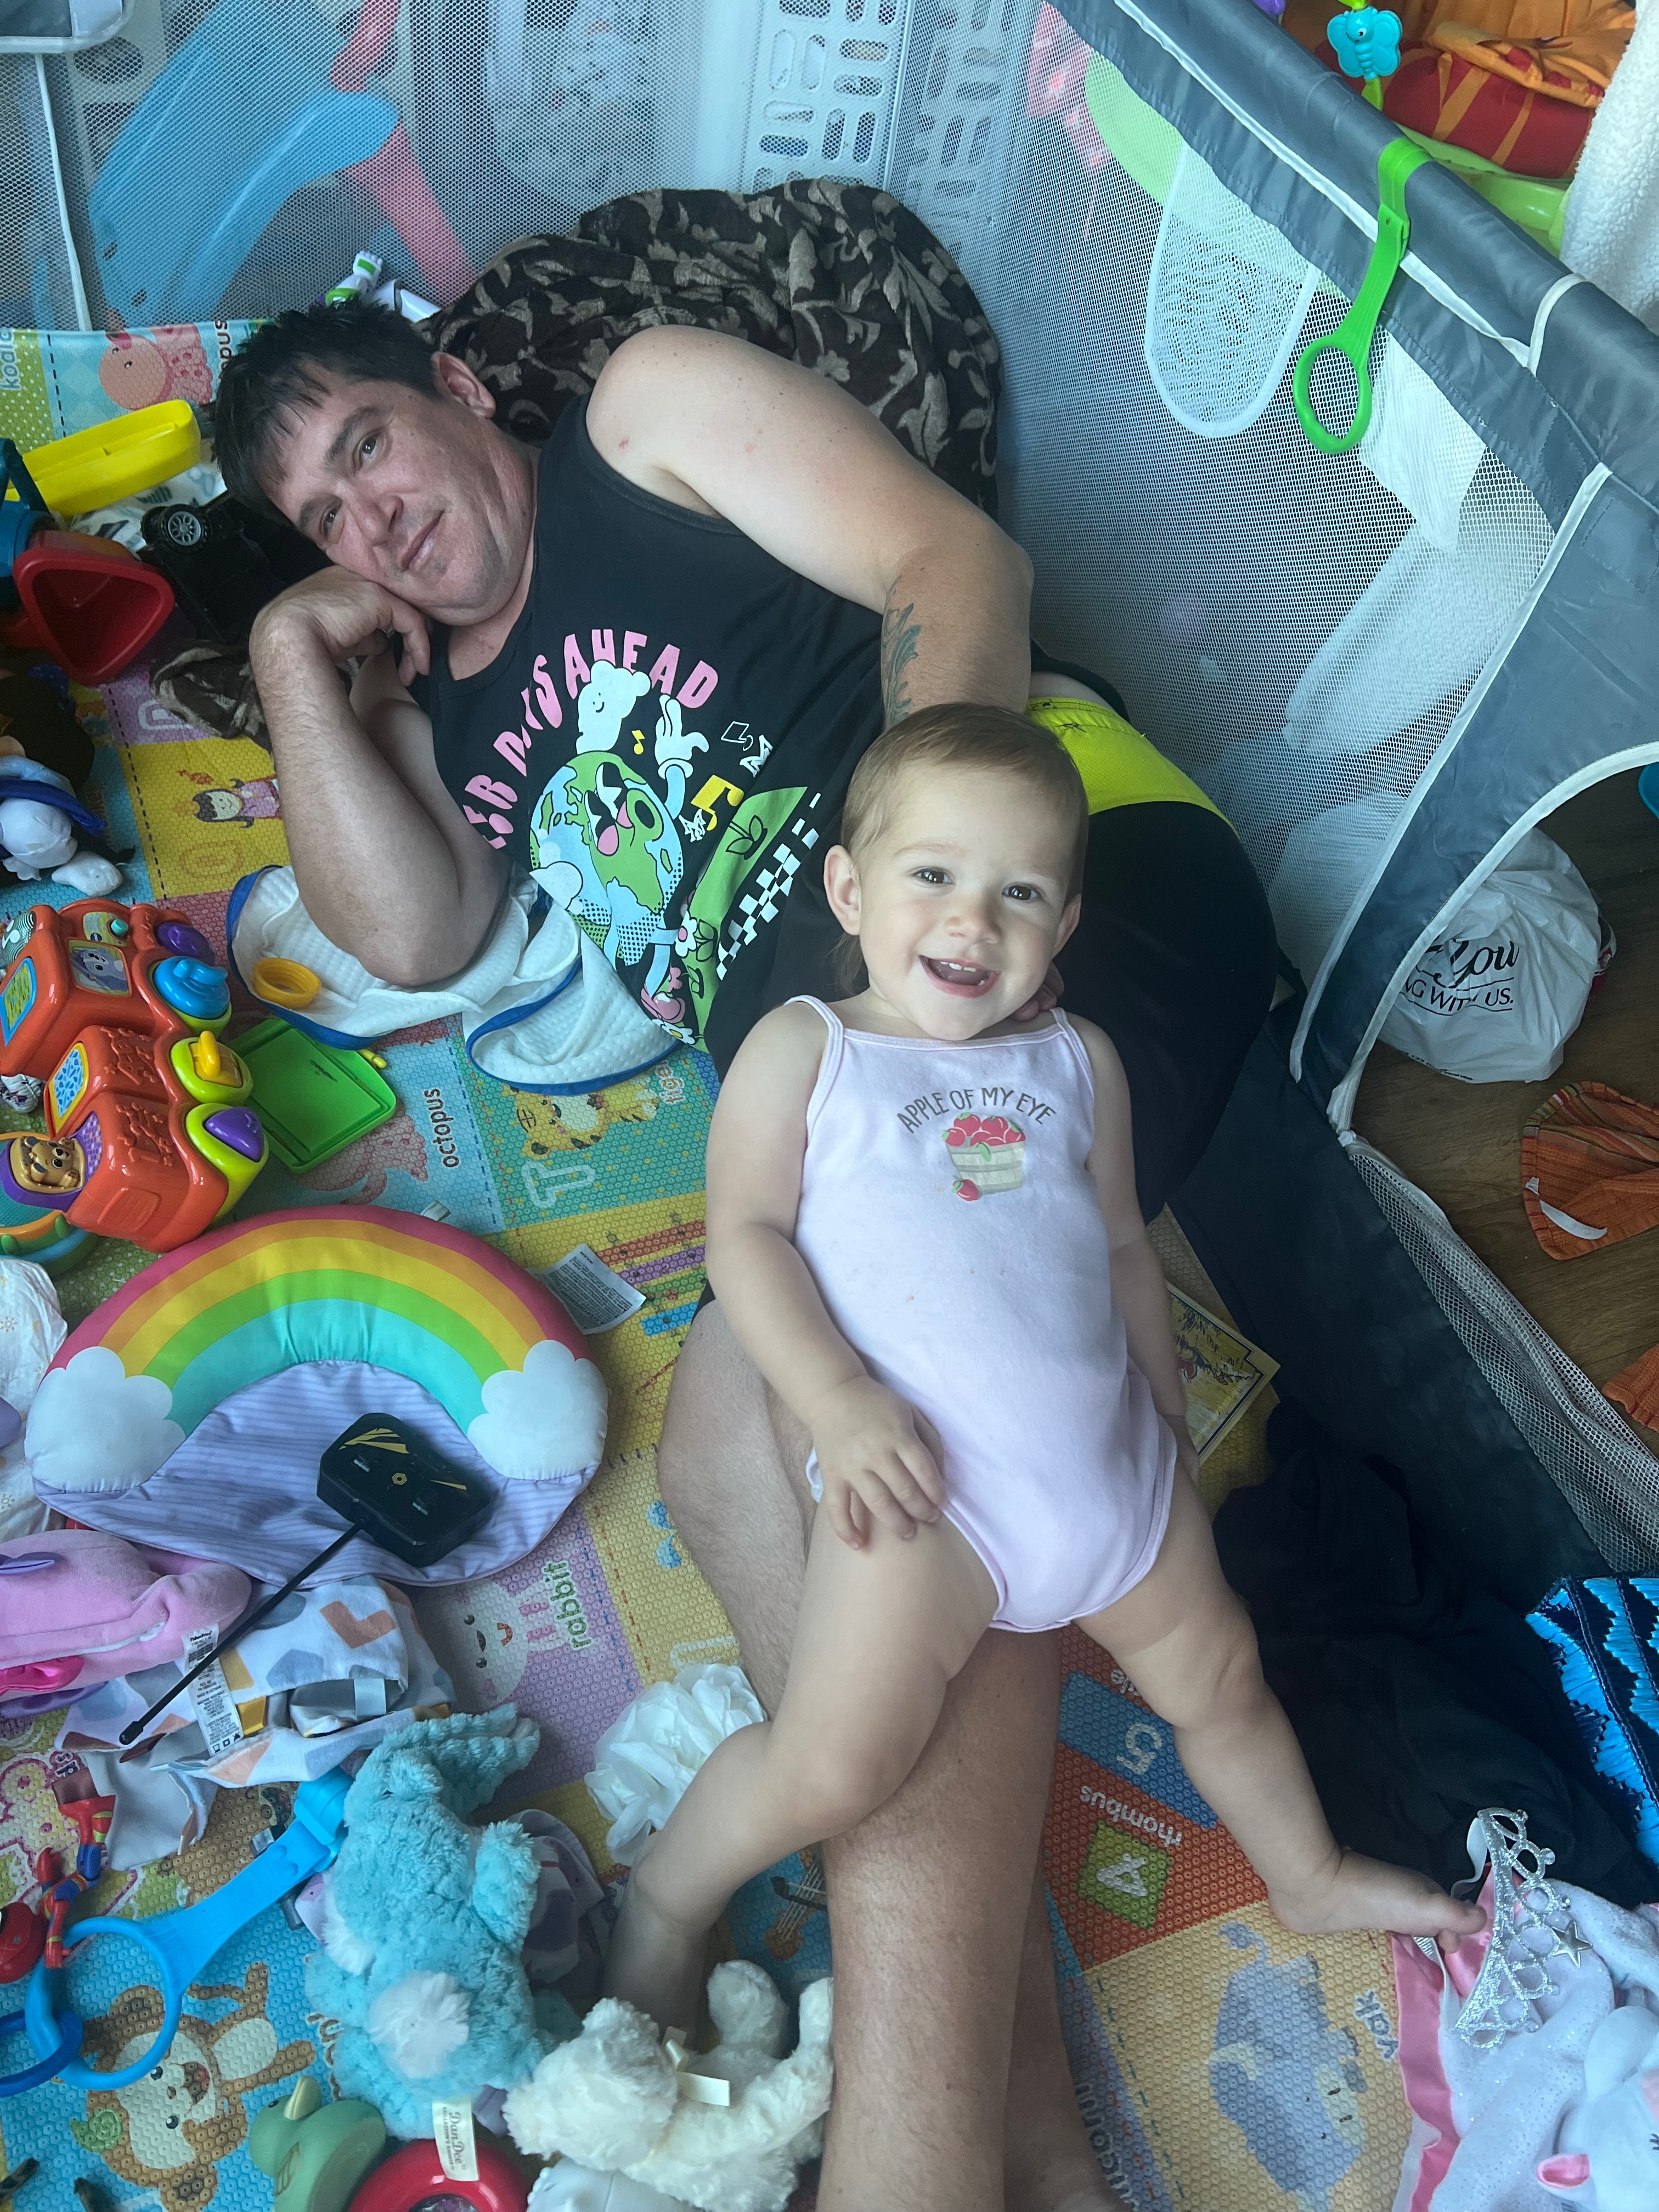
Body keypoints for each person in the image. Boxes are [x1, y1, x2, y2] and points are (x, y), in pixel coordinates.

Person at [218, 298, 1280, 2211]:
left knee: (902, 1463)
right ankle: (1027, 2110)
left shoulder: (637, 418)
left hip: (1014, 933)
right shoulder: (448, 717)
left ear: (458, 386)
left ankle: (917, 2164)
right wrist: (297, 661)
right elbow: (410, 936)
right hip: (848, 1091)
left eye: (366, 444)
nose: (367, 521)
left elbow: (957, 562)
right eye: (321, 519)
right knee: (729, 1462)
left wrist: (909, 953)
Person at [605, 704, 1482, 2041]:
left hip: (1116, 1485)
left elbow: (1122, 1242)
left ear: (1063, 925)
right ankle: (667, 1902)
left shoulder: (1083, 1060)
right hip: (927, 1500)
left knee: (1225, 1685)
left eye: (1020, 892)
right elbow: (748, 1241)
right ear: (849, 889)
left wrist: (1163, 1412)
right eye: (933, 875)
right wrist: (838, 1406)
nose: (973, 921)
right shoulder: (809, 1051)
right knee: (838, 1764)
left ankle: (1305, 1874)